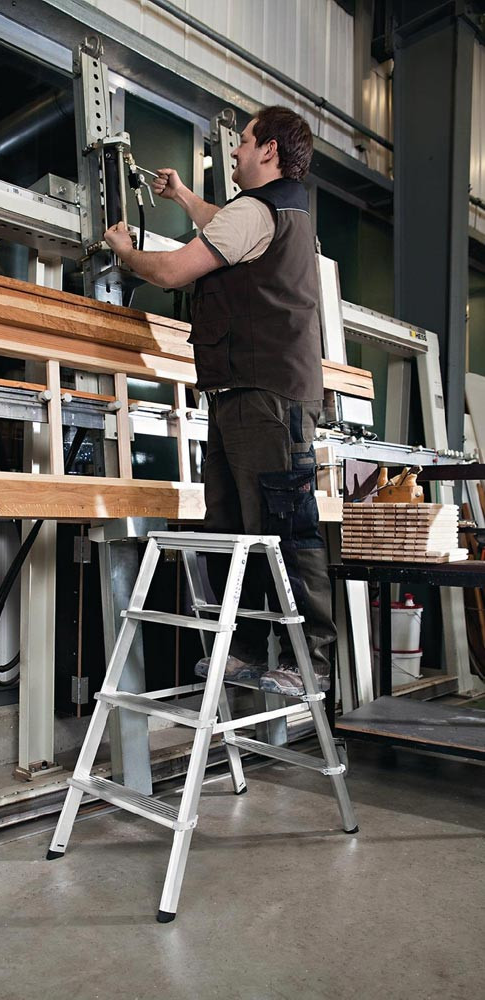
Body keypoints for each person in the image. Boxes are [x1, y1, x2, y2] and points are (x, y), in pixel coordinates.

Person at [104, 104, 335, 697]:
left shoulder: (260, 211)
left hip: (267, 395)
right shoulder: (270, 210)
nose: (234, 150)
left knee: (285, 528)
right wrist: (183, 196)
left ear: (269, 151)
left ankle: (312, 662)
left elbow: (174, 271)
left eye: (244, 141)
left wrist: (126, 252)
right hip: (240, 393)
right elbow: (223, 223)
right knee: (233, 529)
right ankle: (249, 650)